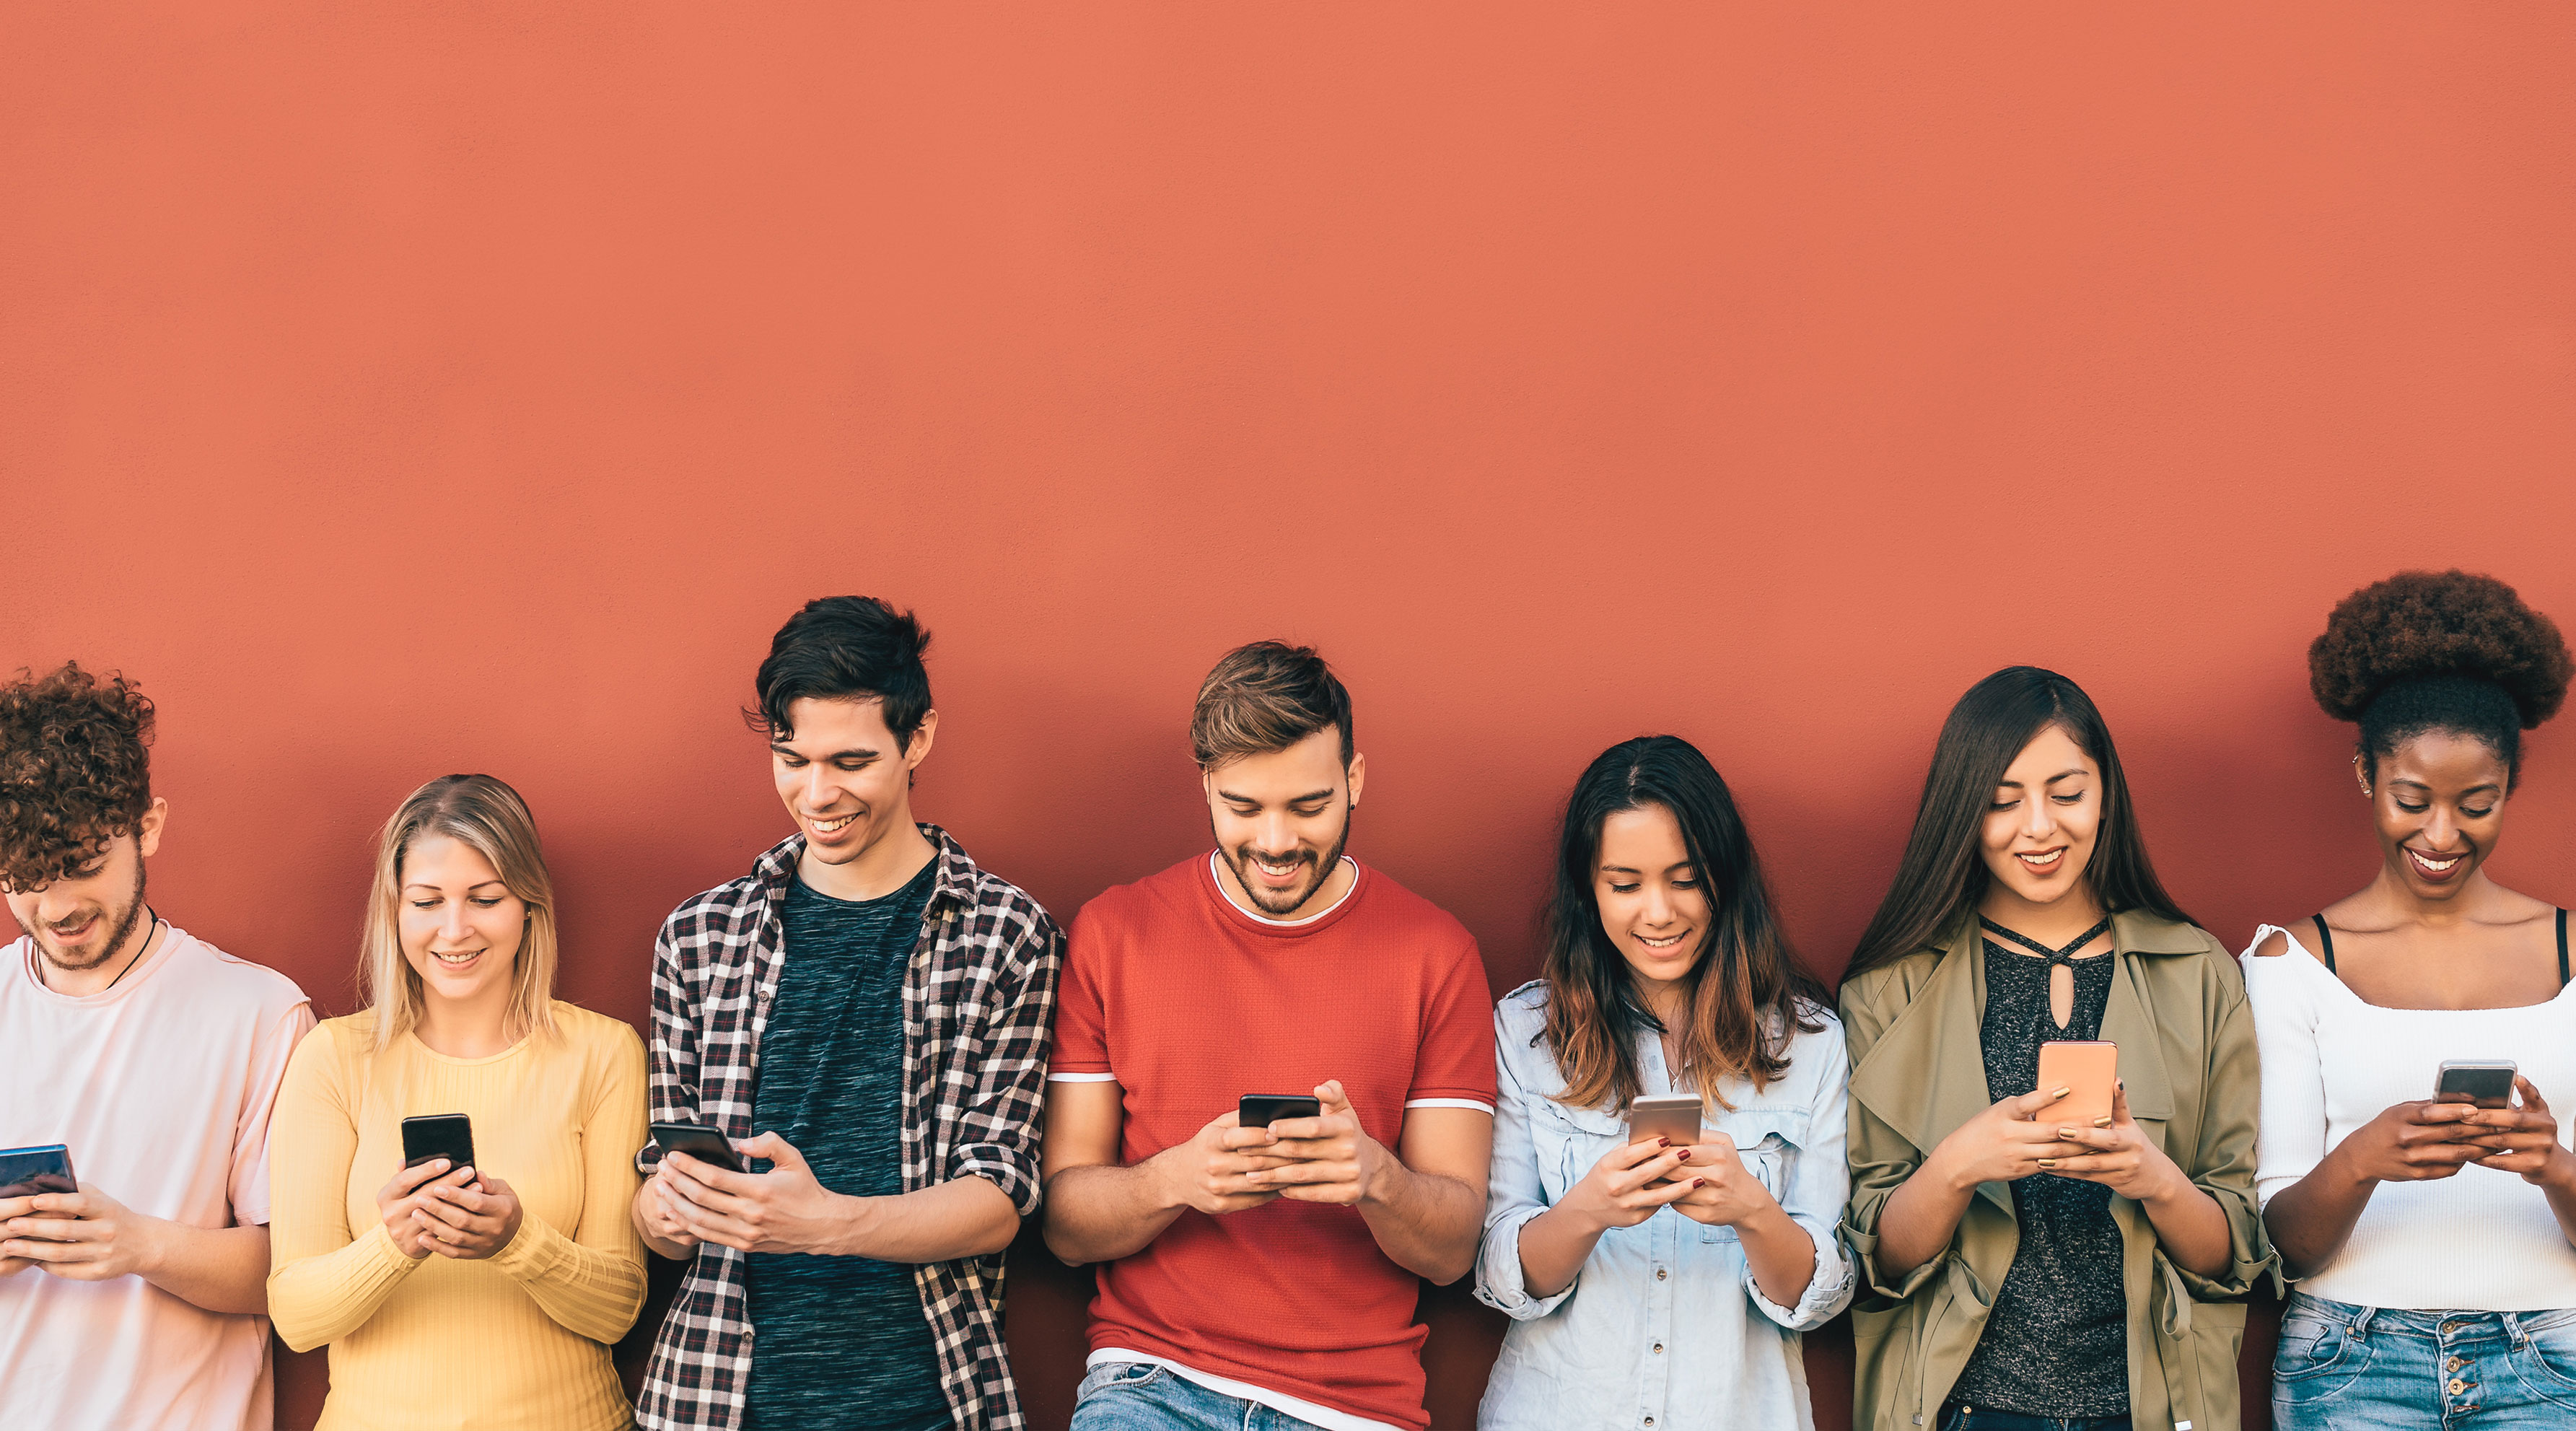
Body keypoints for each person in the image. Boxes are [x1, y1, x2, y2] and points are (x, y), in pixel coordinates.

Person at [631, 595, 1063, 1431]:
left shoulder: (1007, 932)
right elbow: (659, 1213)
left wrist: (827, 1223)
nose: (816, 793)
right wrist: (664, 1210)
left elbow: (1000, 1197)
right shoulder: (699, 936)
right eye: (792, 758)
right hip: (716, 1400)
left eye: (852, 761)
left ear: (920, 740)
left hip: (928, 1397)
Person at [1042, 640, 1497, 1431]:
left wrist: (1376, 1178)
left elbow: (1453, 1251)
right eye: (1245, 808)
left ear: (1355, 780)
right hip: (1152, 1382)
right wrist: (1175, 1179)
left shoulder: (1437, 954)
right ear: (1207, 786)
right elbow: (1065, 1227)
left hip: (1356, 1409)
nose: (1278, 843)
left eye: (1309, 807)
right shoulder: (1115, 934)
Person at [1839, 667, 2269, 1431]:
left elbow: (2229, 1257)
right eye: (2002, 802)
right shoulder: (1890, 990)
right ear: (1962, 812)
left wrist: (2154, 1179)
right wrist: (1959, 1165)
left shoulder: (2199, 973)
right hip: (1960, 1407)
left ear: (2106, 796)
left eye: (2066, 794)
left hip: (2147, 1407)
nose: (2038, 827)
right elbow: (1879, 1264)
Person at [2246, 571, 2576, 1429]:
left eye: (2476, 805)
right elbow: (2285, 1243)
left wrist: (2553, 1166)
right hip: (2350, 1364)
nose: (2440, 836)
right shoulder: (2291, 963)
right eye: (2410, 801)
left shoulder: (2573, 956)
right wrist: (2362, 1159)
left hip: (2552, 1362)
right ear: (2366, 776)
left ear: (2510, 785)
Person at [1474, 735, 1854, 1431]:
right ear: (1589, 890)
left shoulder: (1811, 1043)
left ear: (1726, 876)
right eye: (1625, 884)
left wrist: (1753, 1211)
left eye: (1685, 879)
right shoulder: (1526, 1030)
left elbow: (1817, 1296)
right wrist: (1588, 1208)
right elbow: (1503, 1276)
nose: (1658, 912)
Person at [266, 774, 649, 1430]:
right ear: (395, 912)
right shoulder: (333, 1058)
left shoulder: (604, 1053)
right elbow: (298, 1319)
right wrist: (395, 1243)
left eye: (484, 898)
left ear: (528, 906)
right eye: (426, 901)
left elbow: (618, 1310)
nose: (453, 928)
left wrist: (518, 1239)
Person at [0, 662, 314, 1430]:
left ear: (149, 826)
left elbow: (293, 1275)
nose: (59, 906)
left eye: (82, 867)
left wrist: (139, 1245)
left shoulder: (259, 1012)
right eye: (26, 879)